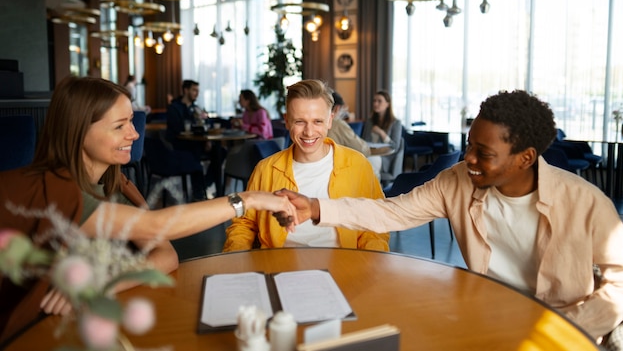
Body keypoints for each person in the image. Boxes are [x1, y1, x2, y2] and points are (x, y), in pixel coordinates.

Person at [272, 89, 623, 346]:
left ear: (525, 158)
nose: (467, 158)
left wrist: (566, 328)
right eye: (469, 144)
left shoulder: (586, 204)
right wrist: (317, 207)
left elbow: (621, 283)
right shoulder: (457, 180)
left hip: (559, 330)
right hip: (487, 317)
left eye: (483, 153)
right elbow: (390, 211)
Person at [0, 76, 294, 343]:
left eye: (131, 121)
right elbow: (156, 226)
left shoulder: (113, 184)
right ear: (78, 131)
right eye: (119, 126)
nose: (134, 134)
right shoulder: (56, 189)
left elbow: (166, 254)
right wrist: (248, 200)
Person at [222, 79, 389, 252]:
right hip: (278, 267)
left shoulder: (358, 165)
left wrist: (369, 264)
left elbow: (375, 223)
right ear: (287, 121)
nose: (309, 132)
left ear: (330, 120)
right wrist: (237, 262)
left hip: (343, 268)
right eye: (299, 122)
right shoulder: (265, 169)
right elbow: (244, 225)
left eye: (318, 121)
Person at [166, 79, 219, 200]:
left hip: (198, 144)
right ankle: (198, 194)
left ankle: (206, 184)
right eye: (194, 90)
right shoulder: (174, 108)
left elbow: (205, 126)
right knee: (194, 154)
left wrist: (207, 140)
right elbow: (178, 129)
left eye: (198, 91)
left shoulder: (197, 108)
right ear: (185, 90)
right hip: (180, 146)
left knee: (220, 151)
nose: (197, 93)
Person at [327, 91, 382, 179]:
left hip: (326, 165)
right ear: (337, 108)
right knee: (375, 161)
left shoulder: (318, 123)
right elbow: (361, 148)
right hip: (337, 168)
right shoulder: (338, 123)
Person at [362, 90, 403, 183]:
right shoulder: (370, 122)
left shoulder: (396, 123)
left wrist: (381, 133)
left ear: (387, 104)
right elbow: (363, 142)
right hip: (369, 153)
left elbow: (395, 146)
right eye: (374, 101)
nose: (376, 103)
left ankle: (374, 192)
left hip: (386, 158)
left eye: (379, 101)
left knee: (371, 161)